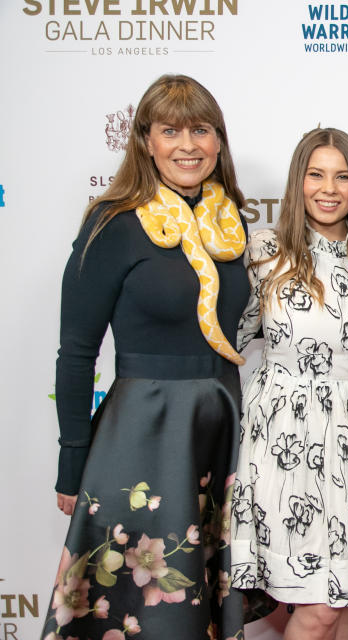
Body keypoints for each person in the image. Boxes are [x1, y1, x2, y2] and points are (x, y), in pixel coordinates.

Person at [44, 74, 247, 639]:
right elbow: (76, 354)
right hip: (141, 433)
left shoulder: (229, 226)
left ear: (218, 141)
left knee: (197, 609)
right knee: (144, 612)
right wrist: (70, 461)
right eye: (171, 131)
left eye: (201, 130)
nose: (188, 145)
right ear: (146, 142)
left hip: (219, 428)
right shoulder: (112, 223)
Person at [229, 127, 348, 640]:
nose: (328, 188)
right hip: (285, 437)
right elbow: (230, 336)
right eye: (315, 174)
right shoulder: (263, 251)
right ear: (297, 182)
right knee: (317, 609)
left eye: (342, 176)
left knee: (345, 599)